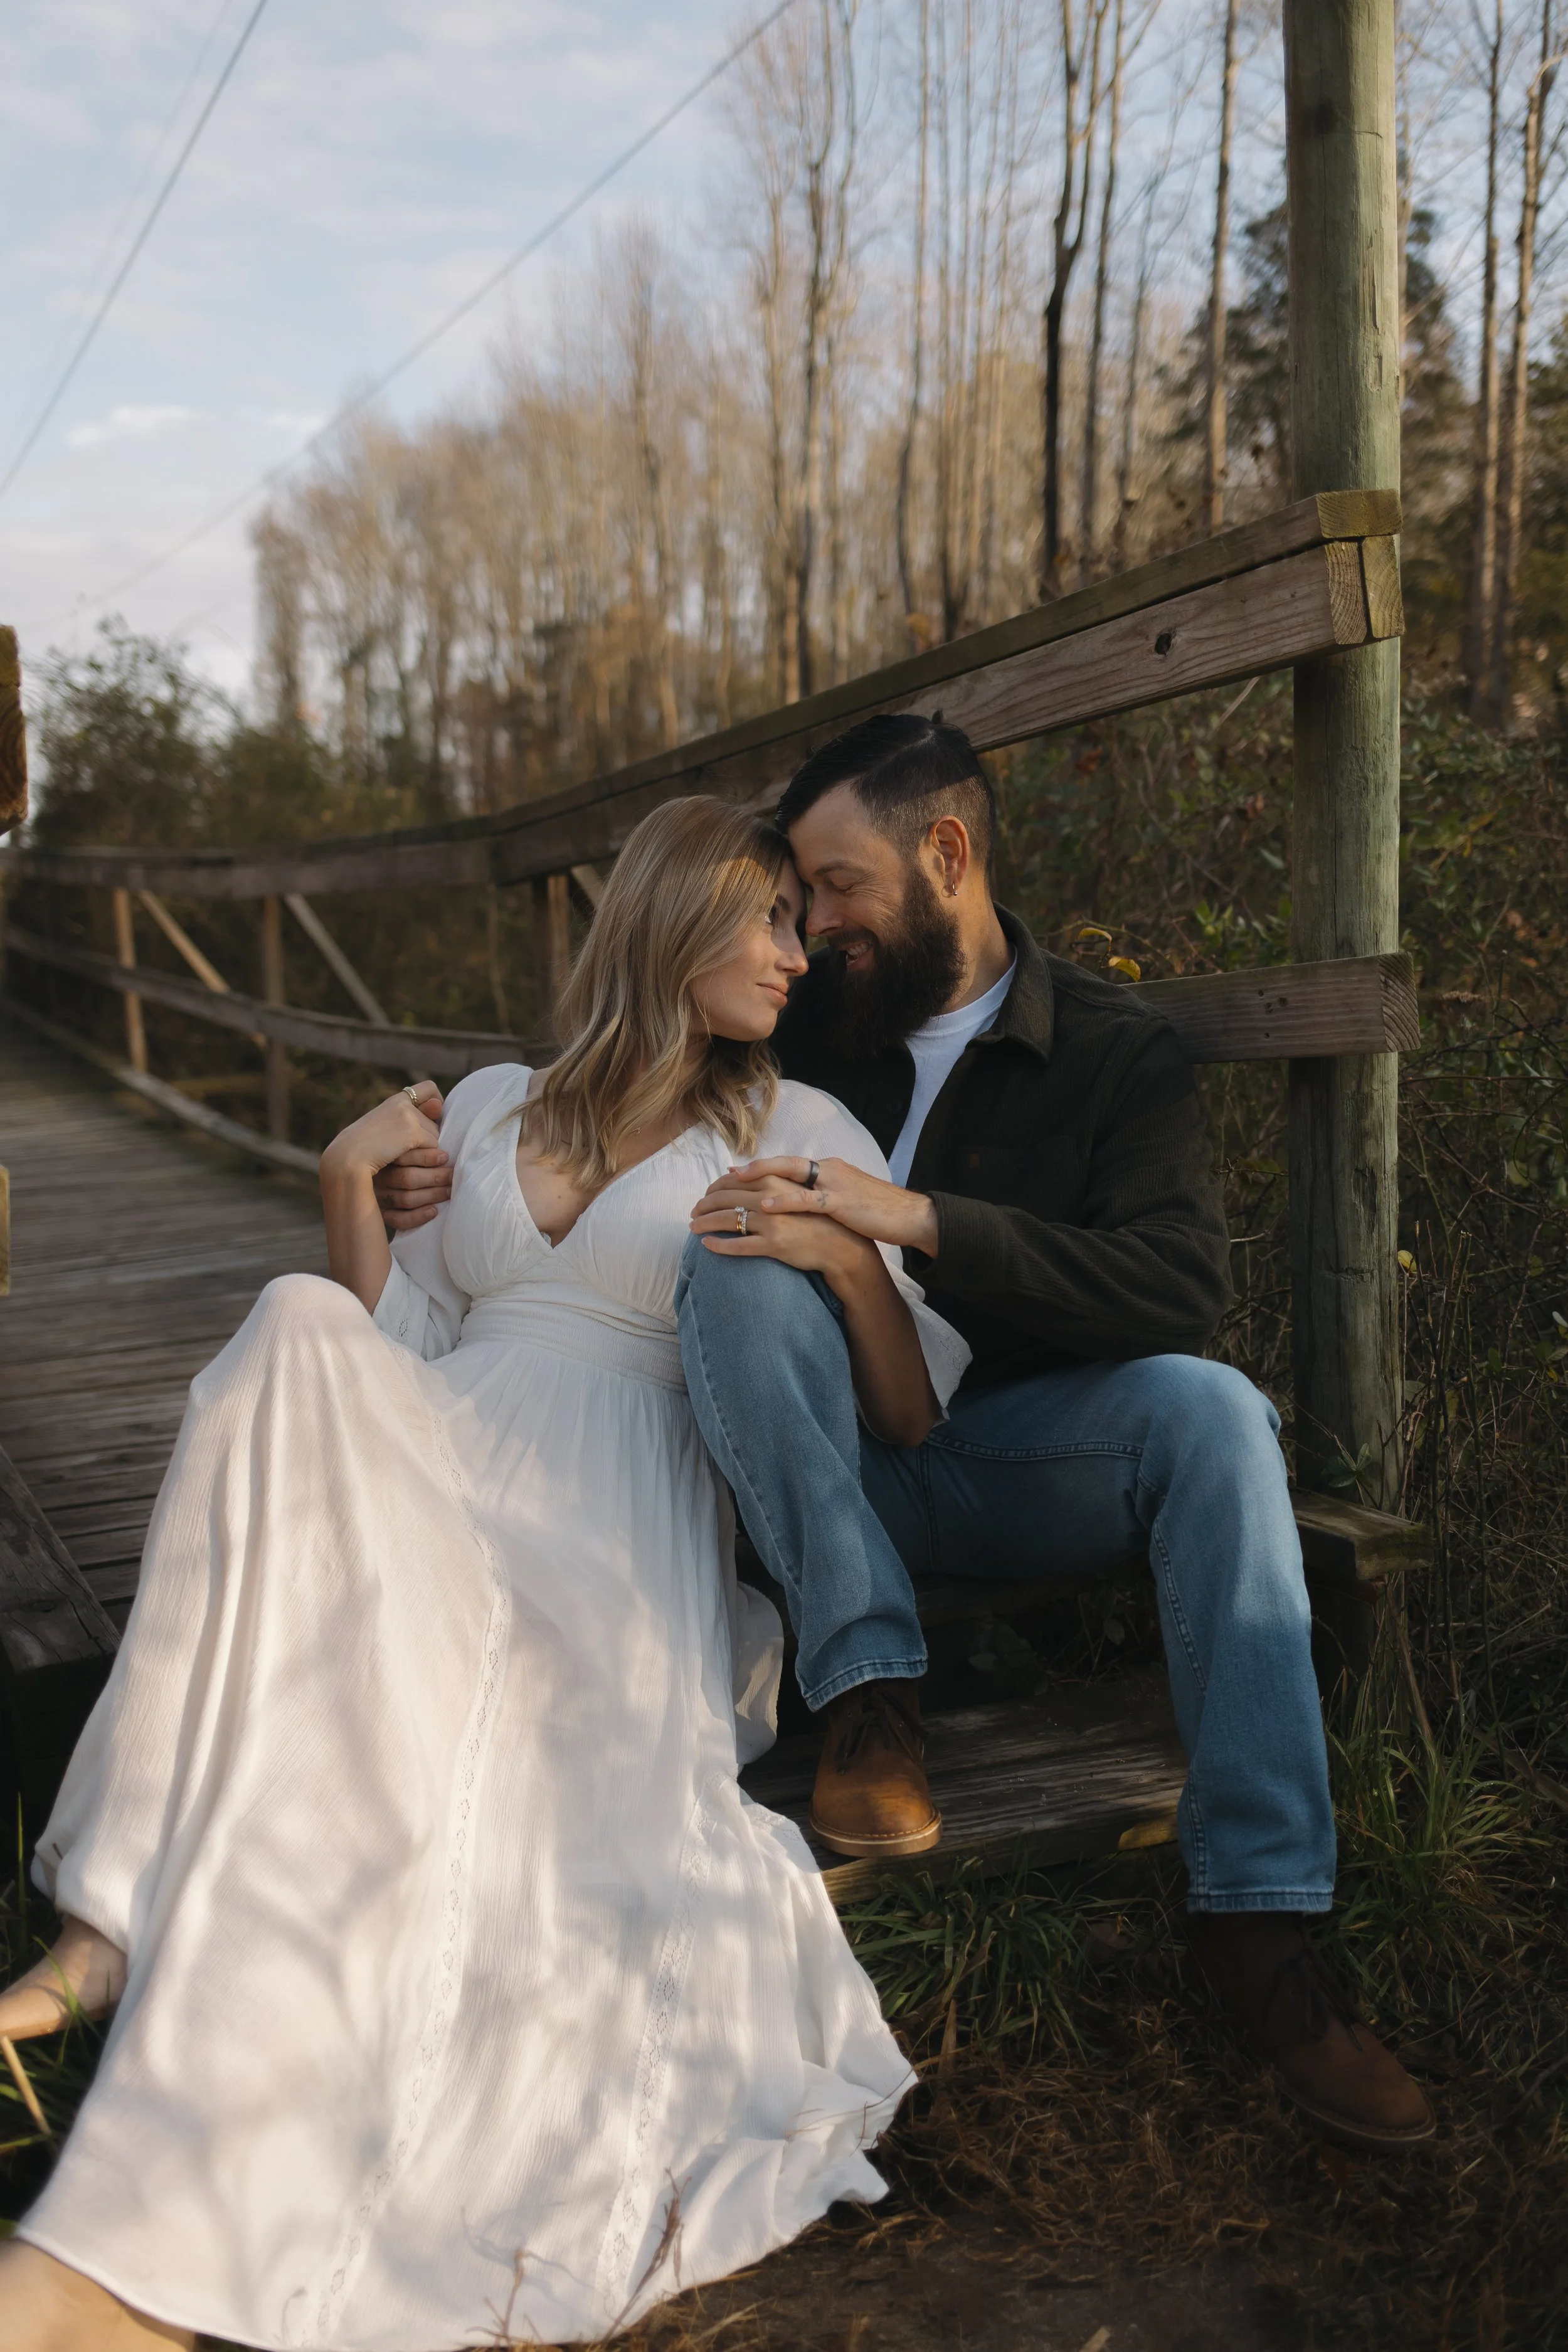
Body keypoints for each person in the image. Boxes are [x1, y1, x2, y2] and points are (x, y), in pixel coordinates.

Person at [381, 713, 1436, 2158]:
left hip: (1005, 1445)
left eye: (833, 886)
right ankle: (872, 1691)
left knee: (1213, 1412)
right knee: (745, 1247)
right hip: (792, 1443)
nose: (808, 931)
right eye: (791, 903)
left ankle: (1258, 1922)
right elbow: (619, 1089)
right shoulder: (799, 1025)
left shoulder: (1109, 1053)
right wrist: (438, 1186)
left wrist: (913, 1222)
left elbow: (1176, 1289)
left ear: (944, 854)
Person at [0, 797, 971, 2352]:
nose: (794, 952)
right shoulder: (502, 1103)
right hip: (444, 1470)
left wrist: (845, 1255)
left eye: (804, 919)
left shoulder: (796, 1126)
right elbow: (406, 1352)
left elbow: (907, 1404)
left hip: (612, 1535)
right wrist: (343, 1198)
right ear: (672, 913)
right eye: (767, 916)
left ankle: (157, 2034)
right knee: (299, 1327)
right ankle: (114, 1916)